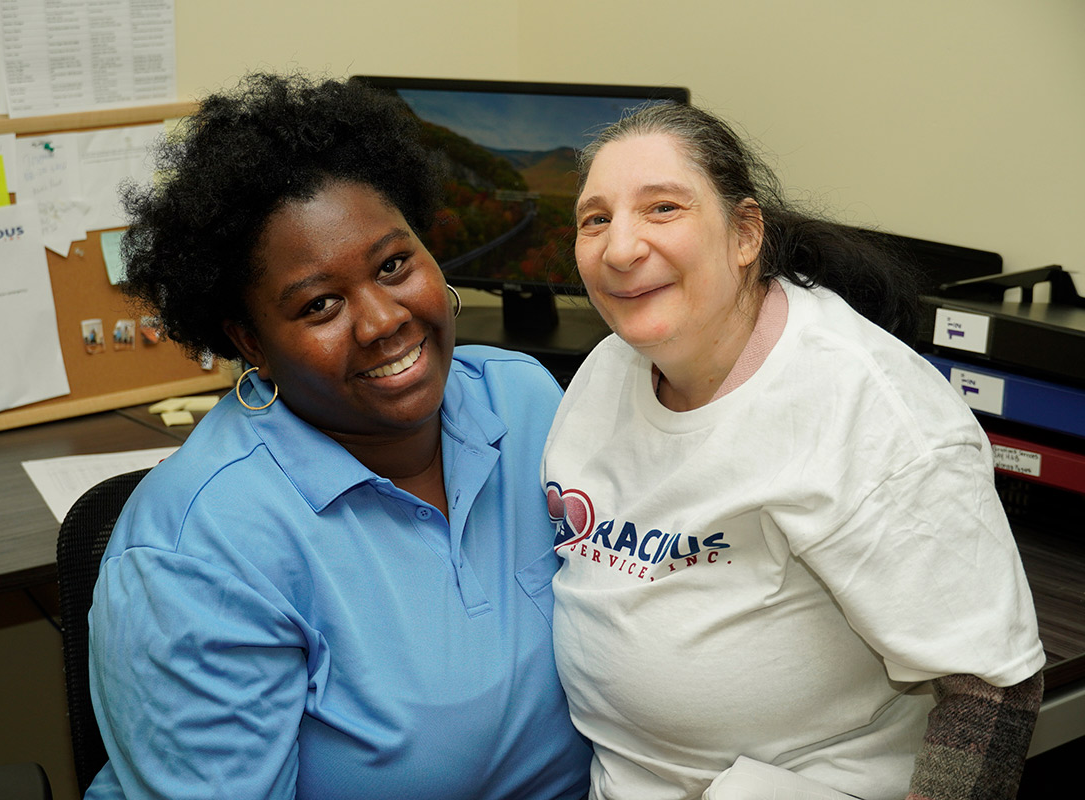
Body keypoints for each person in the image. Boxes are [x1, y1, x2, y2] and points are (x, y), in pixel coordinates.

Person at [86, 73, 591, 800]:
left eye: (394, 265)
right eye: (320, 304)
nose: (383, 319)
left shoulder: (524, 399)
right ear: (249, 342)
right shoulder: (198, 555)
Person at [541, 101, 1045, 800]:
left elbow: (992, 690)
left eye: (662, 209)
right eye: (595, 219)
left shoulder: (867, 408)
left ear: (745, 233)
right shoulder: (604, 371)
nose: (620, 248)